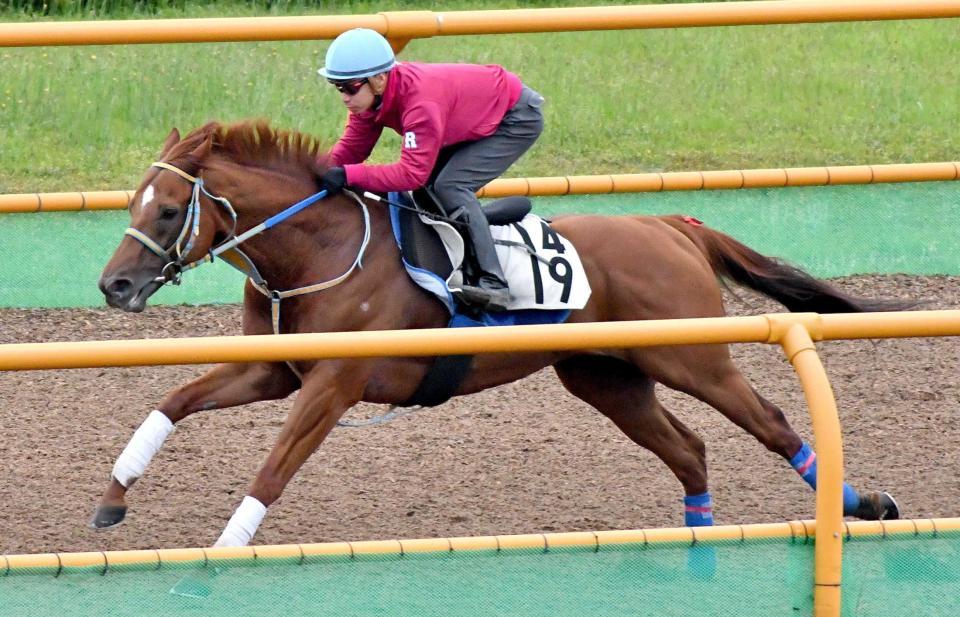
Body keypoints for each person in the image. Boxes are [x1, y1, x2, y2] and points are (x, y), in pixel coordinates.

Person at [317, 28, 545, 312]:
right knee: (428, 195)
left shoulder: (420, 103)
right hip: (471, 117)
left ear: (379, 79)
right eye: (337, 86)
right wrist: (316, 174)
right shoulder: (372, 101)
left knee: (449, 187)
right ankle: (473, 229)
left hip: (515, 118)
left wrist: (350, 176)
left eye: (349, 87)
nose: (344, 97)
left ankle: (494, 283)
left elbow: (411, 174)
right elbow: (351, 151)